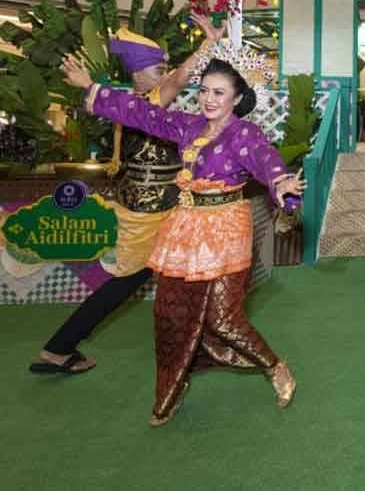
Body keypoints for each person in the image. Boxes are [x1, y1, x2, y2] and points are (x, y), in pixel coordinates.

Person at [59, 50, 305, 427]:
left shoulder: (244, 134)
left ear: (237, 99)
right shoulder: (188, 127)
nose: (208, 99)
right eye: (205, 90)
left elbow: (265, 159)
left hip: (225, 231)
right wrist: (91, 88)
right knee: (170, 314)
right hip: (185, 228)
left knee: (223, 320)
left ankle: (276, 367)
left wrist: (281, 184)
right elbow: (143, 113)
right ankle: (173, 388)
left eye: (219, 93)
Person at [29, 15, 220, 376]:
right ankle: (60, 347)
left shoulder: (127, 105)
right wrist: (207, 44)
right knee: (130, 281)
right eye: (158, 68)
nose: (165, 73)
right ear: (139, 75)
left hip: (157, 205)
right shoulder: (147, 101)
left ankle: (195, 346)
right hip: (151, 211)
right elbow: (181, 79)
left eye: (164, 67)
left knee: (181, 274)